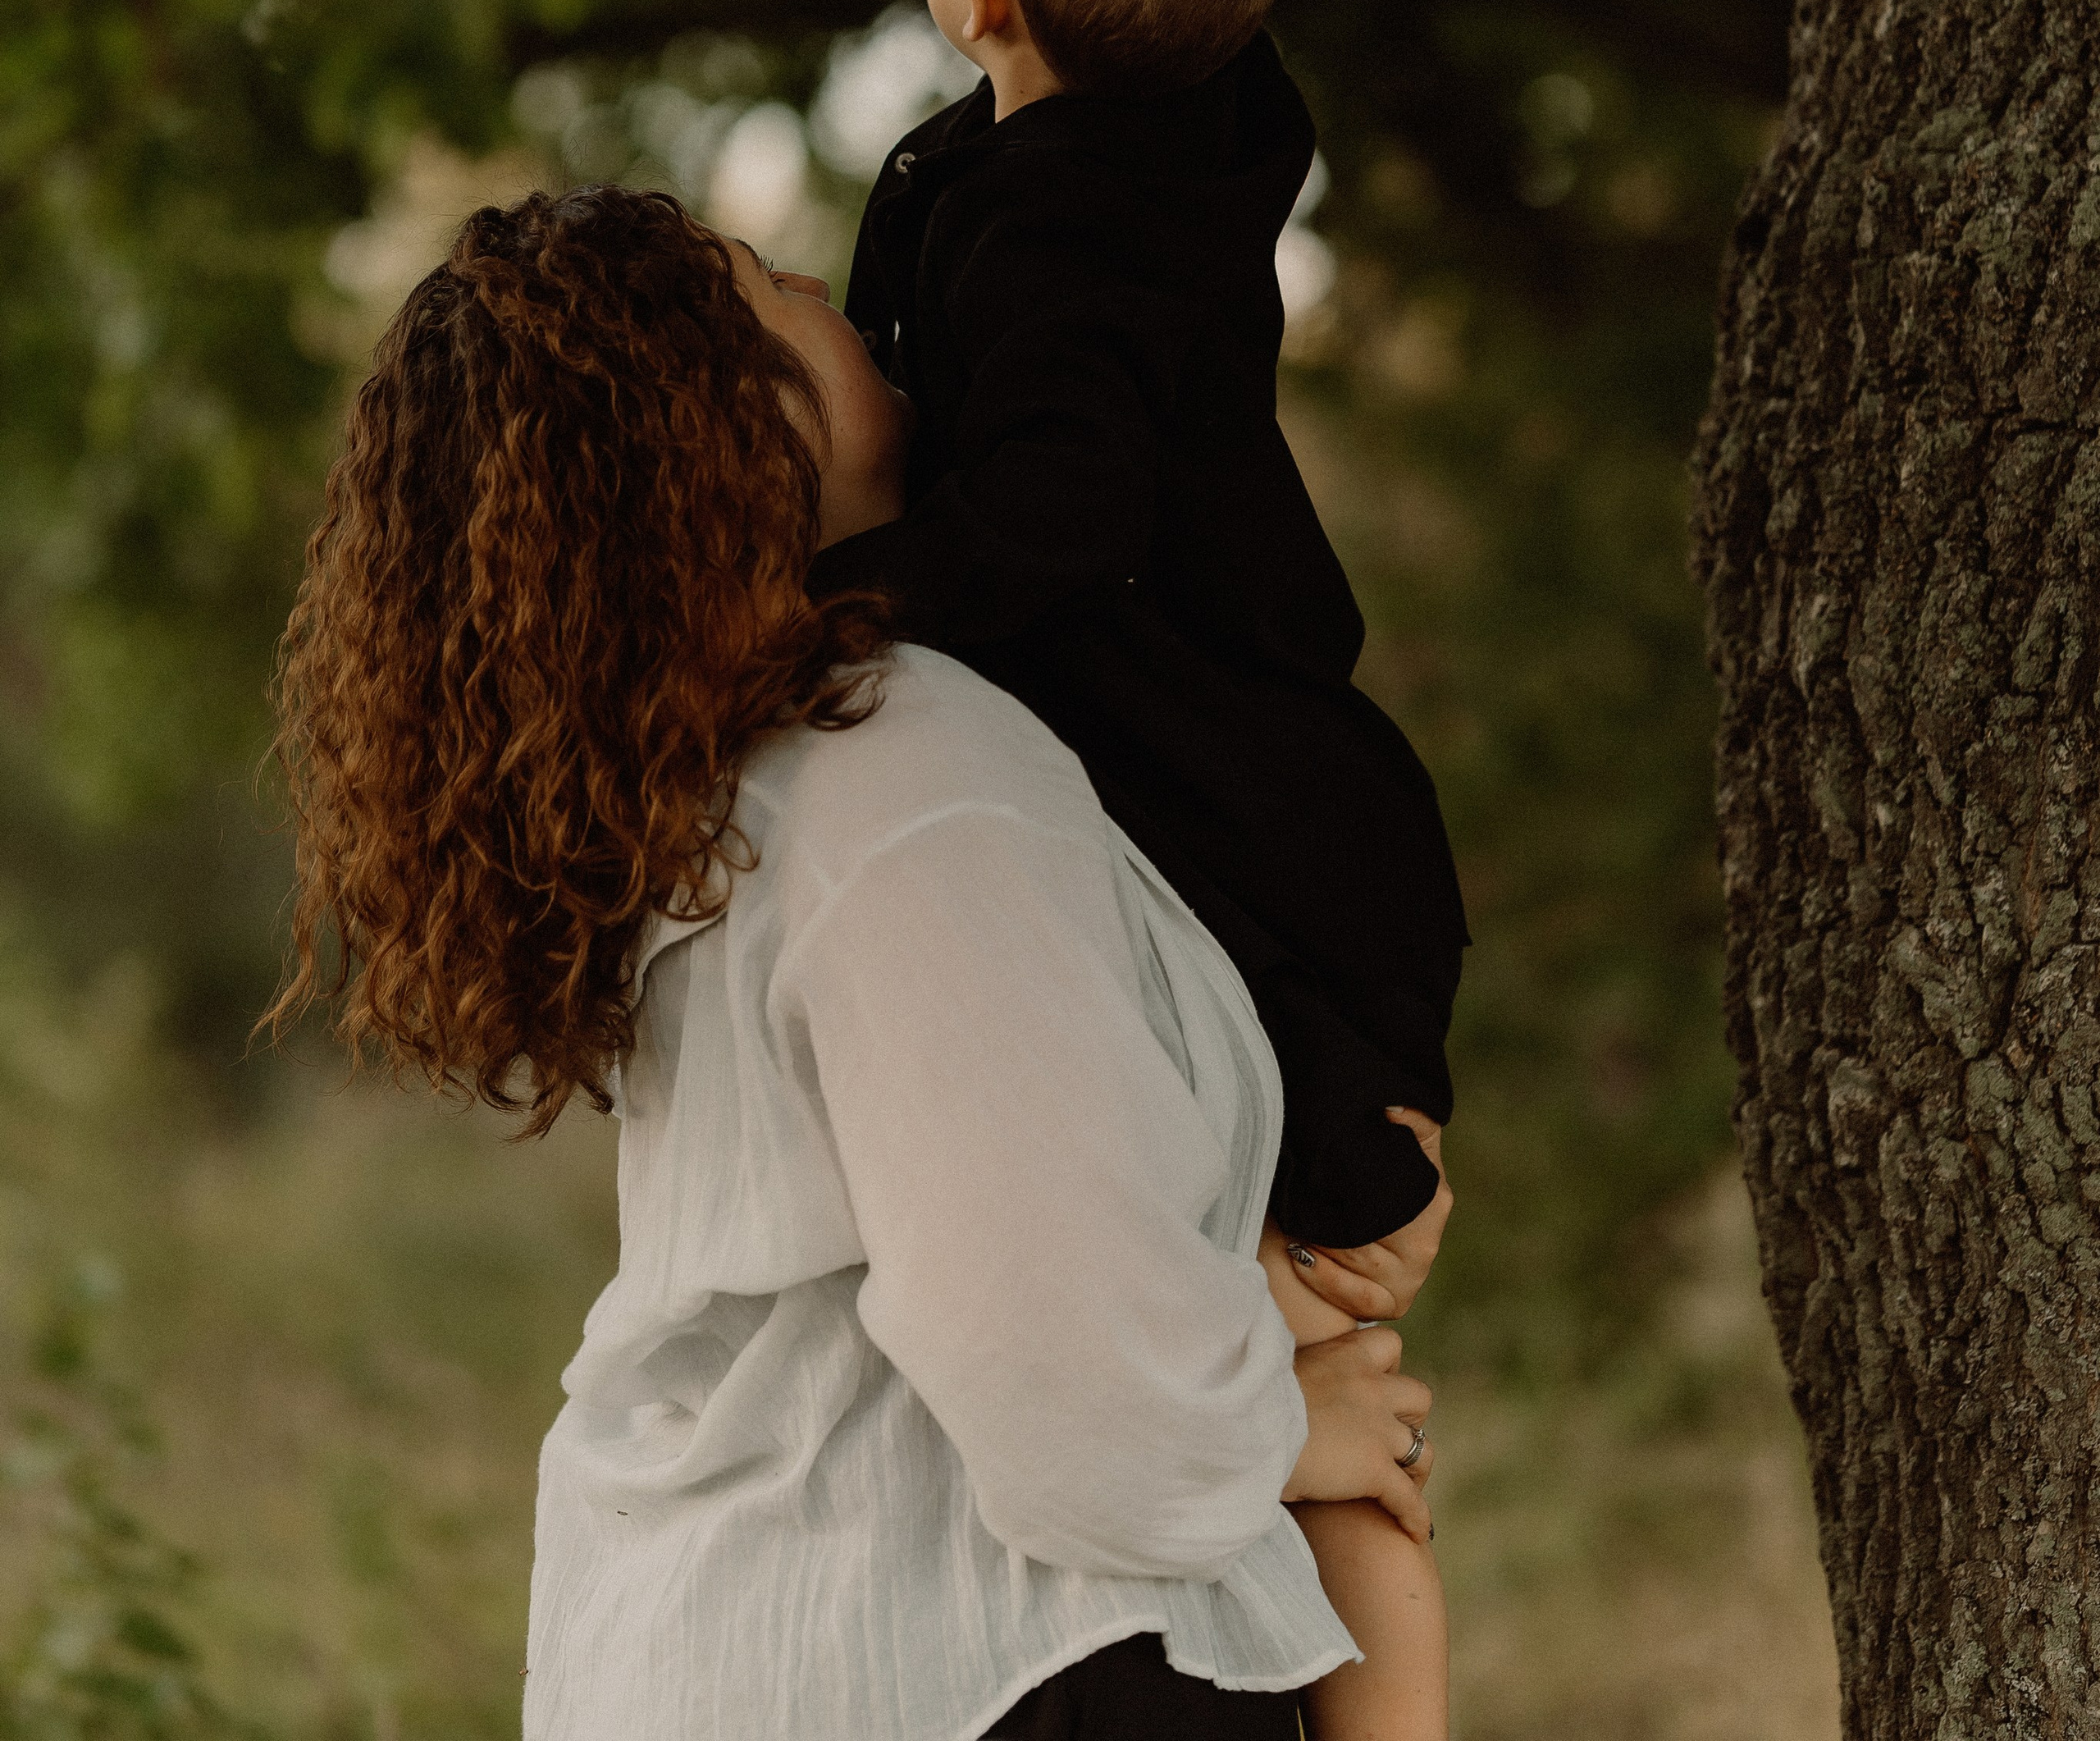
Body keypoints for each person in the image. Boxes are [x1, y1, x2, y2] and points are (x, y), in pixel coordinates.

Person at [264, 184, 1440, 1741]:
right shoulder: (899, 773)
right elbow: (1068, 1386)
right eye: (764, 286)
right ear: (709, 435)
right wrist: (1276, 1422)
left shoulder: (735, 806)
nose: (819, 275)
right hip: (983, 1669)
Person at [822, 0, 1469, 1740]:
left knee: (1326, 1374)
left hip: (1262, 892)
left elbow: (1063, 529)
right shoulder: (1215, 107)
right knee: (1315, 1375)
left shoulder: (1061, 258)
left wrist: (854, 599)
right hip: (1289, 817)